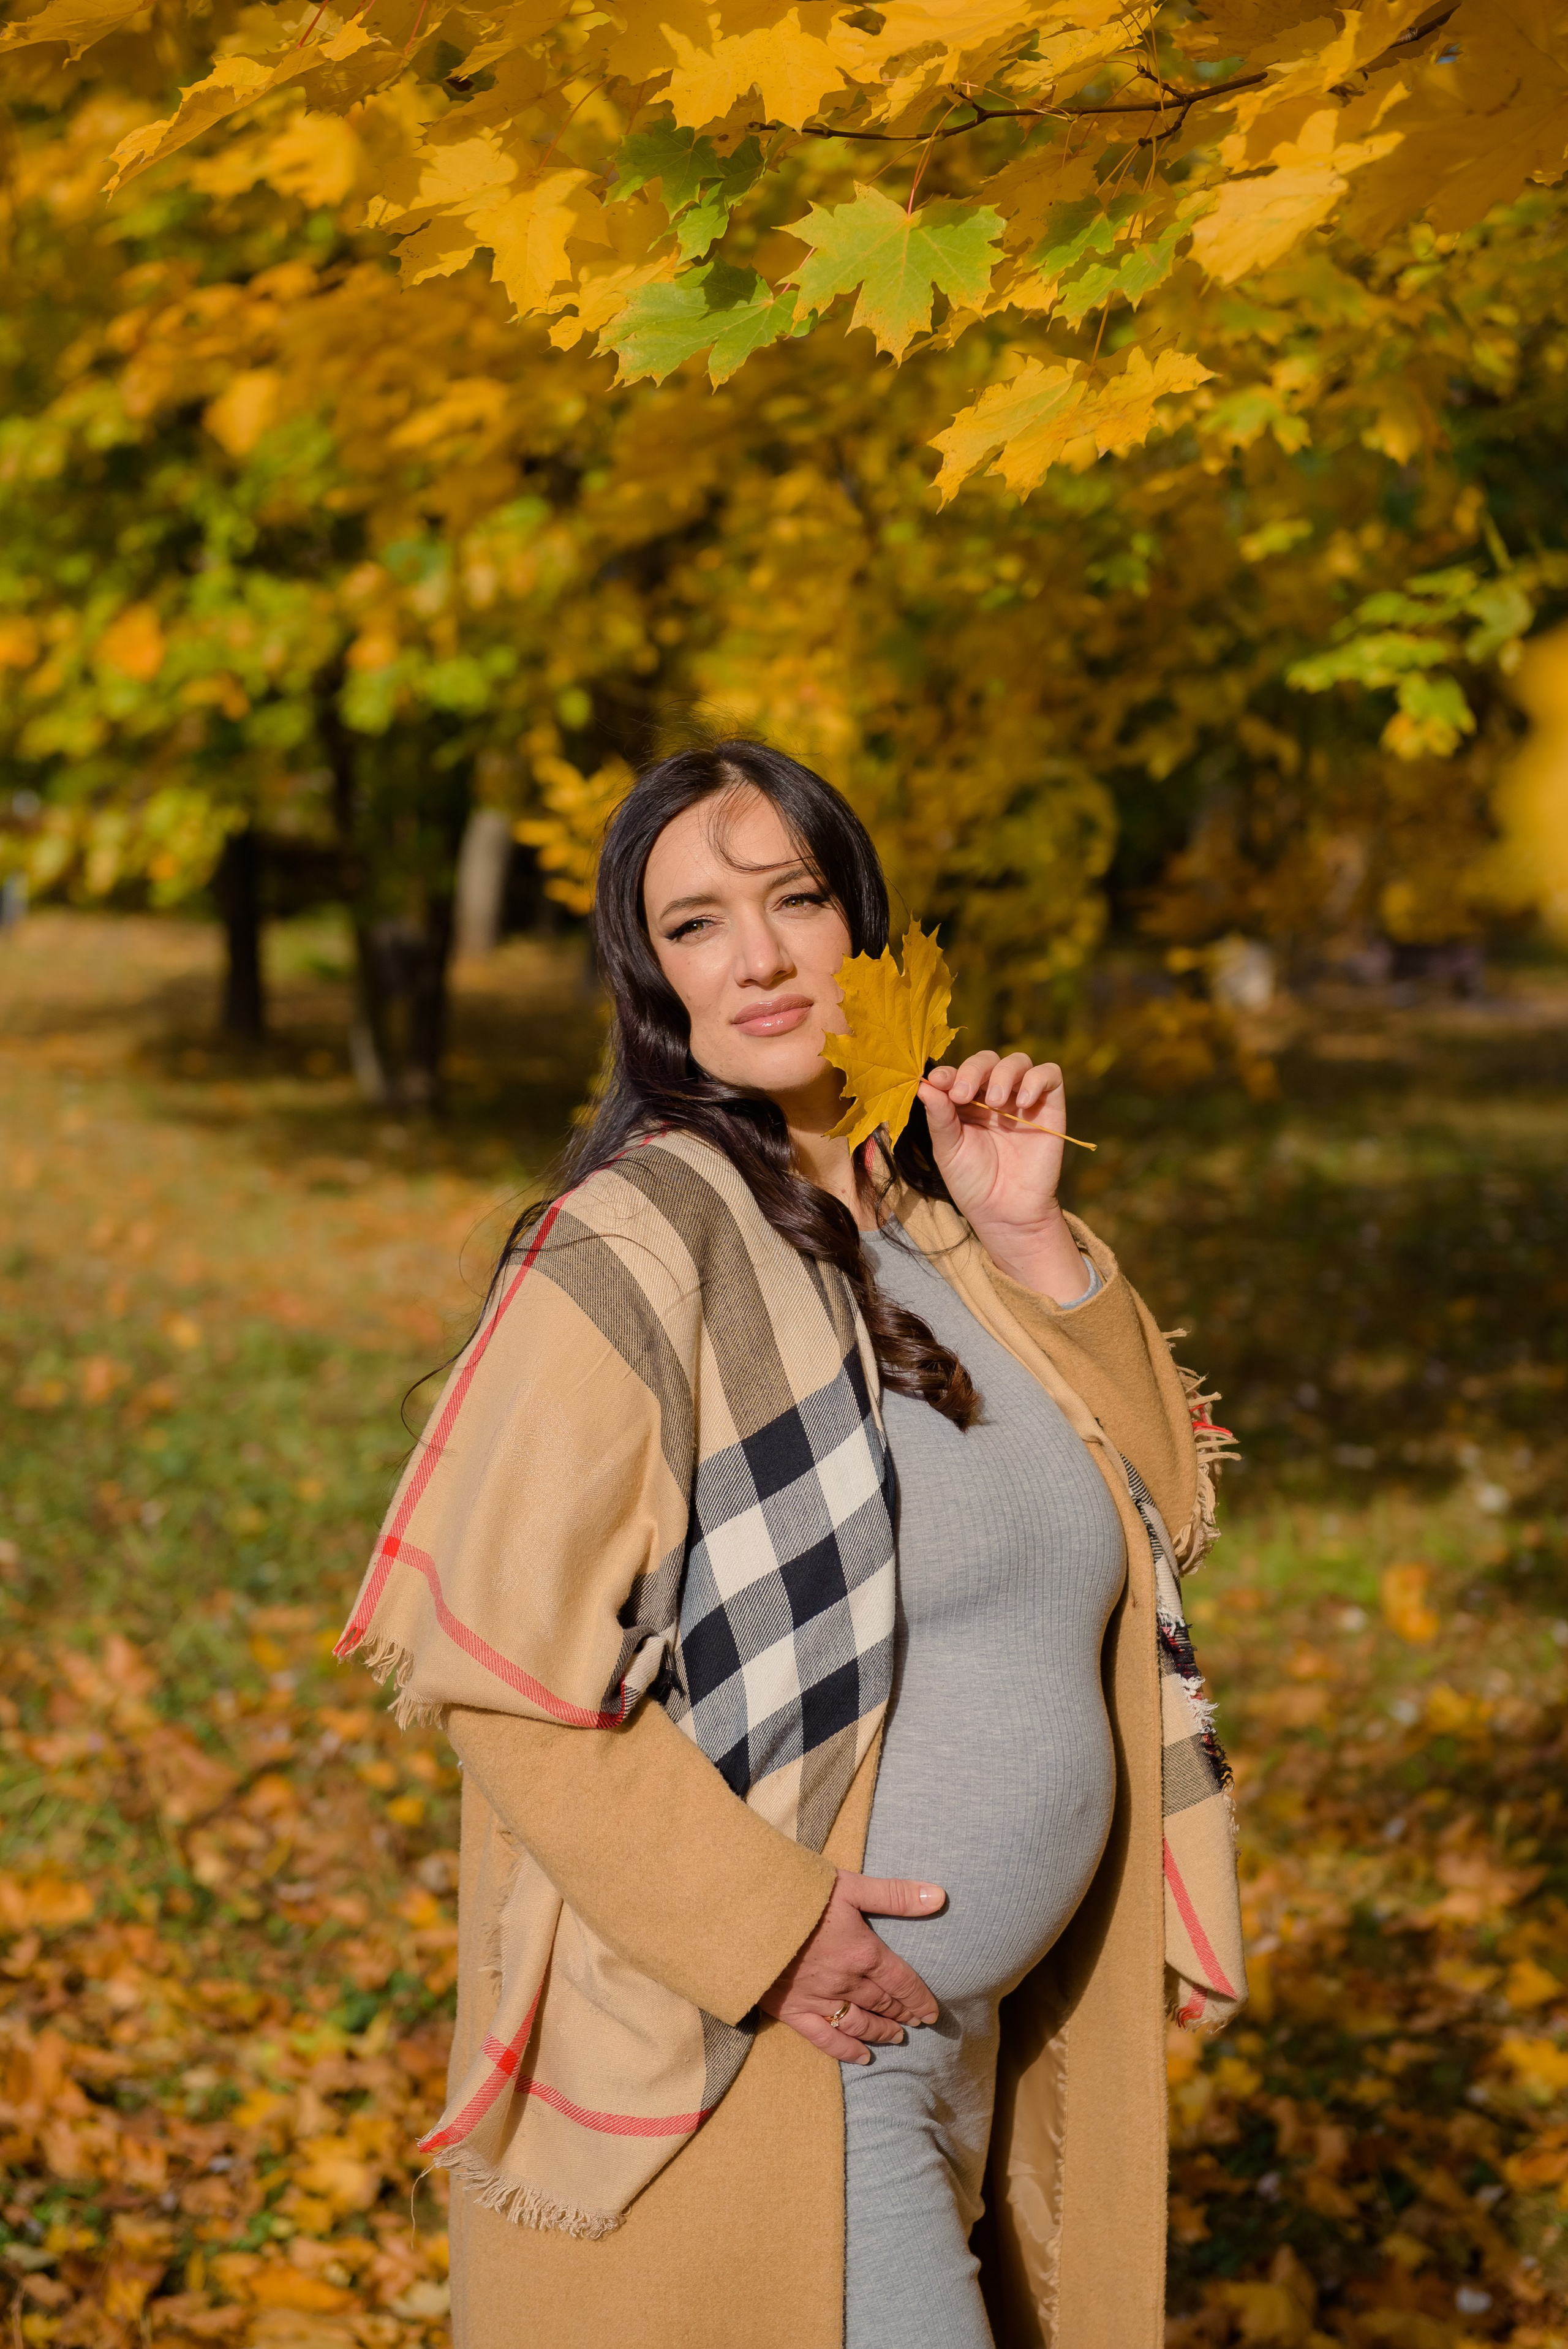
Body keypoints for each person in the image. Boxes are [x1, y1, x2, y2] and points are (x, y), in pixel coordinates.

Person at [337, 741, 1246, 2349]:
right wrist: (766, 1926)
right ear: (648, 979)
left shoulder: (946, 1229)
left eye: (793, 899)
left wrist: (1038, 1237)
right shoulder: (641, 1240)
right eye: (693, 923)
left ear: (866, 928)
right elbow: (492, 1664)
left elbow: (1159, 1519)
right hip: (773, 2060)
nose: (754, 954)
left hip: (971, 2048)